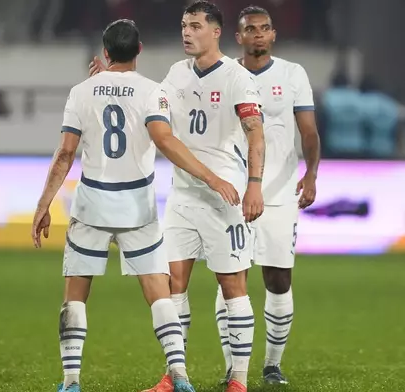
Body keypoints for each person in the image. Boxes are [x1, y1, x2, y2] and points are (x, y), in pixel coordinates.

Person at [32, 18, 240, 392]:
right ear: (139, 51)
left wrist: (44, 204)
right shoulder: (152, 92)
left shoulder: (82, 91)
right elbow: (164, 140)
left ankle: (71, 381)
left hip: (92, 205)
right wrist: (212, 177)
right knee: (159, 292)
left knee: (76, 293)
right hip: (137, 207)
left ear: (105, 52)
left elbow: (65, 153)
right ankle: (179, 374)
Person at [89, 3, 265, 392]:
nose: (187, 32)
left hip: (227, 193)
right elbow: (149, 109)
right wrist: (113, 80)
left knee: (232, 285)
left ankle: (239, 379)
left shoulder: (237, 78)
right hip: (184, 194)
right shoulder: (175, 74)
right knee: (173, 285)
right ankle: (175, 374)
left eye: (196, 26)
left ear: (216, 32)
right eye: (184, 25)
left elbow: (255, 133)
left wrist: (254, 184)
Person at [212, 6, 321, 386]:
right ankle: (233, 366)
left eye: (265, 29)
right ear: (238, 37)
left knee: (278, 279)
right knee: (231, 279)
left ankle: (272, 364)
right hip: (232, 191)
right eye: (250, 30)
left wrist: (311, 174)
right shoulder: (224, 74)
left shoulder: (293, 75)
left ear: (273, 35)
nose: (258, 34)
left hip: (279, 191)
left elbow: (308, 131)